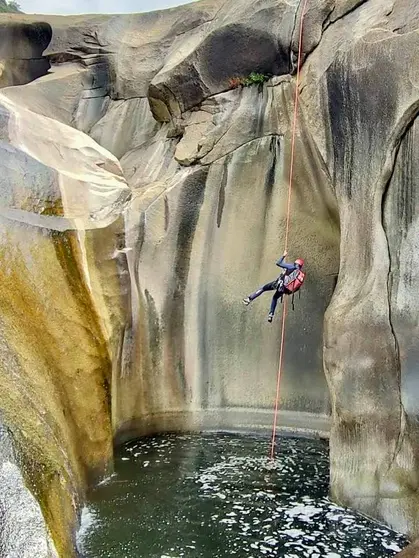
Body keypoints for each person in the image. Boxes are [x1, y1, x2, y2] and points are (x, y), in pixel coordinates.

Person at [242, 251, 305, 323]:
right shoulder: (299, 274)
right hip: (285, 289)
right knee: (275, 298)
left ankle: (249, 299)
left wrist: (283, 256)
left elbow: (278, 263)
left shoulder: (292, 266)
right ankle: (271, 314)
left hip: (278, 284)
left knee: (263, 288)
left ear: (295, 263)